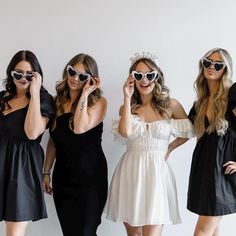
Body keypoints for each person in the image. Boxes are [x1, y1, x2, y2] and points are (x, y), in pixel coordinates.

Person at [105, 52, 194, 236]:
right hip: (130, 172)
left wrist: (170, 147)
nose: (144, 80)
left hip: (157, 174)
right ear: (132, 79)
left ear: (157, 76)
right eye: (138, 75)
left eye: (149, 75)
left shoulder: (171, 105)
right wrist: (127, 97)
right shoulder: (127, 107)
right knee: (134, 233)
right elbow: (125, 133)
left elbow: (189, 132)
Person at [43, 53, 108, 236]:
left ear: (91, 80)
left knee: (86, 232)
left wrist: (85, 94)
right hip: (63, 177)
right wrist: (46, 171)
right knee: (70, 232)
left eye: (82, 76)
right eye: (72, 72)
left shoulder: (99, 102)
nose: (75, 78)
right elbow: (53, 141)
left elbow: (79, 128)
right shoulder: (57, 102)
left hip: (90, 179)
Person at [0, 50, 54, 236]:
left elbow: (32, 133)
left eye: (29, 74)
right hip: (2, 162)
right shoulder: (2, 98)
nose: (23, 78)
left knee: (14, 231)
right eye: (18, 73)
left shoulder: (44, 100)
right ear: (10, 74)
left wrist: (34, 93)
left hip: (22, 166)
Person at [187, 48, 236, 236]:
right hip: (204, 168)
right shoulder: (201, 102)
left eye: (218, 64)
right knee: (213, 230)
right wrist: (169, 148)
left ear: (226, 69)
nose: (211, 67)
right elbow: (188, 130)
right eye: (207, 62)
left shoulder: (233, 94)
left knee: (201, 232)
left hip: (222, 172)